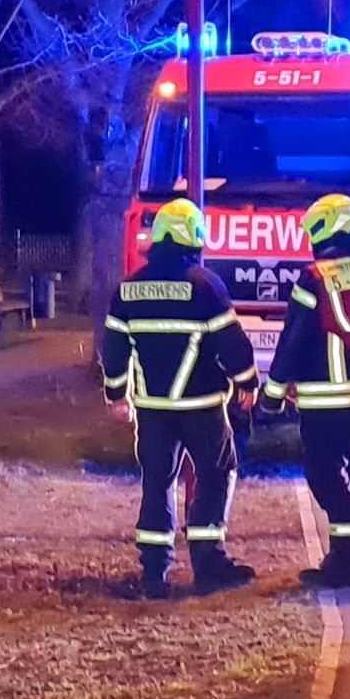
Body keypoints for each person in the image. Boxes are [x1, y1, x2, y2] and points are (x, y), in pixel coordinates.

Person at [95, 198, 256, 596]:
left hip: (152, 410)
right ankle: (208, 563)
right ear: (193, 237)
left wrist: (117, 394)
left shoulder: (127, 289)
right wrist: (247, 383)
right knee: (215, 475)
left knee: (157, 483)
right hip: (201, 406)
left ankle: (154, 571)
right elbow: (232, 344)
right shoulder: (205, 285)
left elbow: (115, 350)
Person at [267, 191, 350, 590]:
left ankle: (346, 563)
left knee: (324, 476)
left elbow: (295, 336)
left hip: (326, 399)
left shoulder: (315, 275)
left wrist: (273, 391)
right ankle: (348, 558)